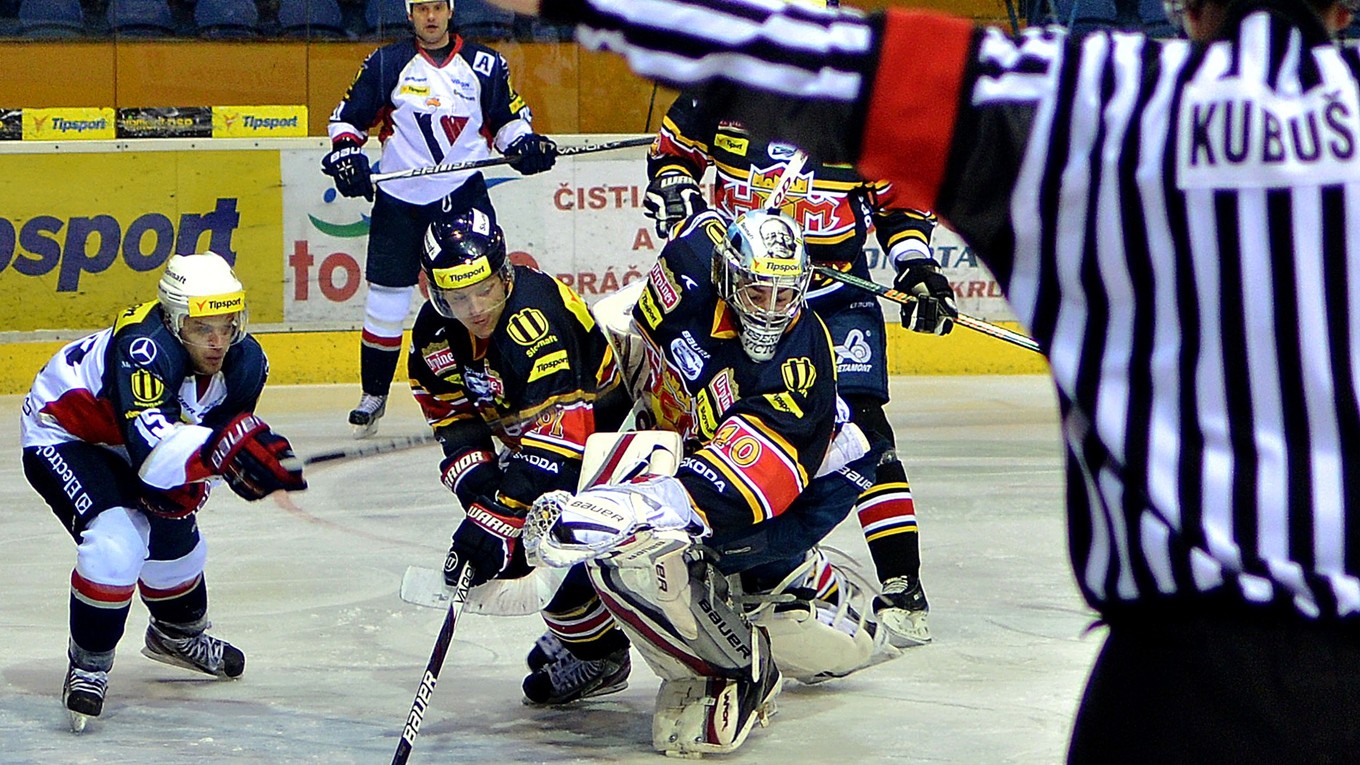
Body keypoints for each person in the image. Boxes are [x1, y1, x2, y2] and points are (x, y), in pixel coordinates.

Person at [487, 0, 1360, 761]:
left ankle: (886, 583)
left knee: (853, 425)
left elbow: (793, 52)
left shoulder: (1092, 96)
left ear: (1190, 8)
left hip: (1180, 689)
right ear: (1344, 11)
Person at [525, 206, 897, 757]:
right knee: (582, 555)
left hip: (803, 485)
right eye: (757, 292)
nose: (771, 310)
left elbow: (728, 492)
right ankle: (597, 646)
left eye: (783, 293)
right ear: (727, 276)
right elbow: (641, 328)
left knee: (662, 553)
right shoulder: (690, 265)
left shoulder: (794, 365)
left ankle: (742, 664)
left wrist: (624, 508)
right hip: (700, 436)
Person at [644, 84, 951, 646]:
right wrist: (680, 196)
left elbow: (901, 201)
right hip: (742, 293)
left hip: (832, 294)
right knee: (725, 423)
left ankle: (902, 585)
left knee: (861, 429)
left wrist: (916, 266)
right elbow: (672, 156)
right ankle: (755, 561)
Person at [20, 252, 308, 732]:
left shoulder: (248, 360)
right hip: (69, 437)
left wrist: (238, 461)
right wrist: (221, 450)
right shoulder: (144, 348)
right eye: (201, 329)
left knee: (179, 539)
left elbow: (212, 446)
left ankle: (177, 636)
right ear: (175, 324)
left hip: (132, 441)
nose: (218, 342)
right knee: (118, 542)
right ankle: (89, 663)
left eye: (228, 324)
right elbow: (155, 452)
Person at [406, 208, 637, 704]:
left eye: (484, 289)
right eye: (457, 297)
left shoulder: (534, 319)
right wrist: (478, 489)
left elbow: (563, 442)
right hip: (536, 446)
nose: (475, 308)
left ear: (504, 272)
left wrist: (497, 517)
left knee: (538, 542)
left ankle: (600, 651)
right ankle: (584, 624)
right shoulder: (435, 335)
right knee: (506, 541)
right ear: (436, 294)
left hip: (609, 440)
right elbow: (450, 414)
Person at [324, 0, 558, 440]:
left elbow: (508, 122)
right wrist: (347, 156)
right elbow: (346, 120)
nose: (429, 17)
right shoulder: (386, 62)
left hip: (461, 194)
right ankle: (372, 394)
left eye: (437, 8)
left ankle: (495, 386)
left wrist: (527, 145)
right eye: (421, 9)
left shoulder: (485, 64)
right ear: (409, 14)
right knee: (387, 299)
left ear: (450, 11)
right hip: (400, 198)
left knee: (477, 296)